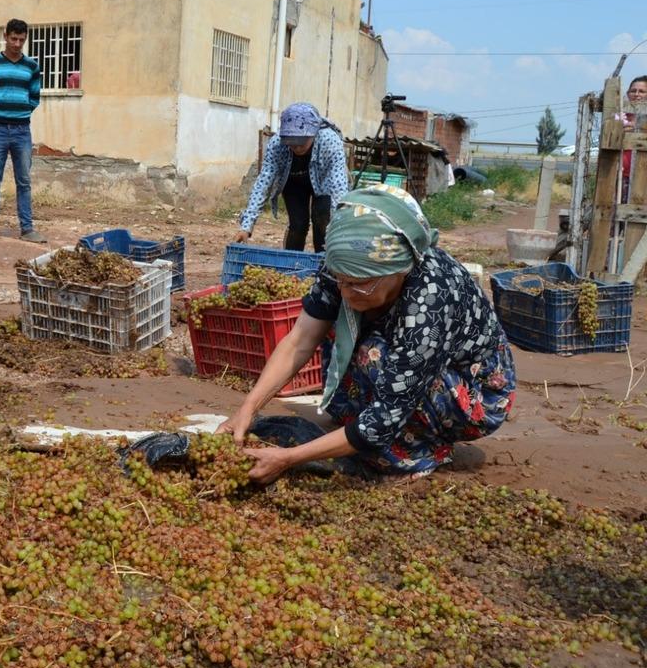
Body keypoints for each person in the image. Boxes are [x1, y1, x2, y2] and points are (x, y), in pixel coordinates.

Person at [217, 185, 516, 483]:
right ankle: (356, 429)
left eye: (360, 285)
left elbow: (384, 416)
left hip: (472, 391)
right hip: (403, 359)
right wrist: (248, 408)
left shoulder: (430, 301)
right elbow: (300, 338)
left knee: (373, 358)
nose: (346, 293)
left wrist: (288, 458)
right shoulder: (343, 265)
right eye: (341, 282)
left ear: (398, 270)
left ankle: (420, 451)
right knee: (340, 328)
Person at [236, 102, 350, 253]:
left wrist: (338, 230)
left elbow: (338, 187)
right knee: (298, 223)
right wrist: (246, 226)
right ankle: (291, 265)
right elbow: (263, 183)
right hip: (294, 182)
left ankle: (325, 264)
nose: (296, 147)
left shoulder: (330, 142)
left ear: (314, 133)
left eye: (301, 143)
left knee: (322, 221)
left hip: (325, 183)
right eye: (291, 143)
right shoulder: (277, 144)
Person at [0, 18, 47, 244]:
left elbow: (34, 97)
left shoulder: (32, 67)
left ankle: (27, 228)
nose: (17, 44)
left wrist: (21, 110)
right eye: (13, 39)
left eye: (21, 40)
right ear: (6, 37)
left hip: (22, 131)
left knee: (23, 180)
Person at [619, 75, 647, 203]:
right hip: (621, 176)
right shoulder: (620, 116)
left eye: (642, 91)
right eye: (633, 91)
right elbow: (609, 135)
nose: (637, 94)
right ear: (627, 93)